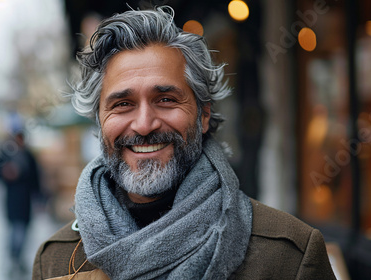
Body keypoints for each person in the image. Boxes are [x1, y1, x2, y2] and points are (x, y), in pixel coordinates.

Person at [33, 6, 336, 280]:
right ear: (100, 122)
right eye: (123, 104)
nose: (143, 124)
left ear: (204, 115)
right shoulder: (57, 260)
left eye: (165, 99)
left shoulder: (288, 258)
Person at [0, 131, 41, 273]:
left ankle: (17, 257)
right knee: (15, 231)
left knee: (22, 231)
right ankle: (15, 257)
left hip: (25, 201)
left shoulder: (28, 156)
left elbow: (35, 178)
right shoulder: (8, 155)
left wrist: (39, 198)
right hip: (13, 200)